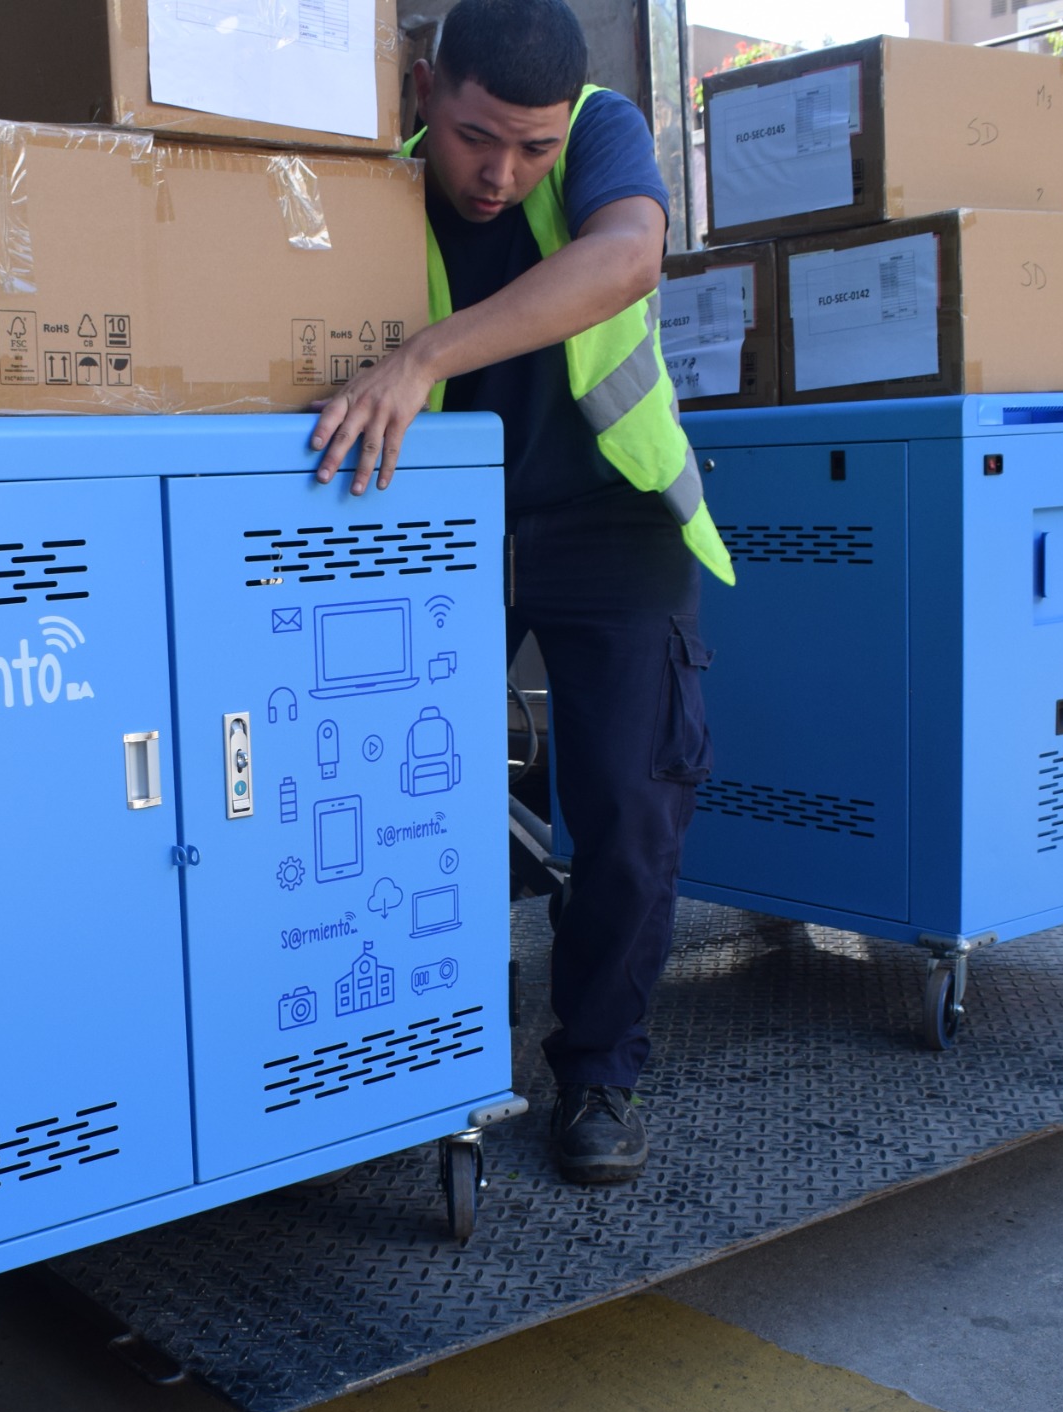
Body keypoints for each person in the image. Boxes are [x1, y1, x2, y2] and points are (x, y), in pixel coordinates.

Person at [310, 0, 732, 1187]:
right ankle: (402, 1064)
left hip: (611, 518)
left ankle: (598, 1072)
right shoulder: (365, 192)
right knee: (387, 806)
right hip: (446, 534)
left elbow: (626, 256)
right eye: (474, 136)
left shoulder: (603, 131)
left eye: (531, 149)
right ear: (421, 88)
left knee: (631, 818)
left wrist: (426, 356)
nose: (500, 174)